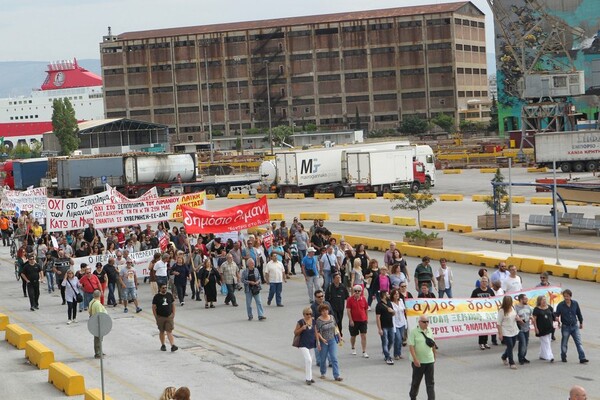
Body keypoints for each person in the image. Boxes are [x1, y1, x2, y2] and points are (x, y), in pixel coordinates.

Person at [555, 289, 588, 363]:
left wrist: (581, 322)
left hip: (574, 326)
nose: (566, 298)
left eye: (567, 296)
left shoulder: (575, 303)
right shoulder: (560, 305)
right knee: (564, 343)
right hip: (566, 327)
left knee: (578, 342)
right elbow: (556, 314)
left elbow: (578, 313)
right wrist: (556, 317)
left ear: (570, 296)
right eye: (565, 296)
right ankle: (563, 356)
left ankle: (582, 358)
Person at [408, 315, 436, 400]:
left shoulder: (430, 330)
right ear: (419, 322)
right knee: (416, 382)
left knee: (430, 383)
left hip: (429, 361)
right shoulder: (414, 332)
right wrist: (415, 359)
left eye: (427, 321)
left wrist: (434, 356)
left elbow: (433, 343)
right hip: (419, 363)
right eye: (424, 322)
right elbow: (411, 346)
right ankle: (413, 397)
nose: (426, 323)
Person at [315, 304, 342, 381]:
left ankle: (336, 375)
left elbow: (335, 327)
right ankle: (323, 372)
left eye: (326, 310)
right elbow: (317, 332)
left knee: (334, 358)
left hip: (332, 339)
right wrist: (321, 340)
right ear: (320, 312)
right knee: (323, 359)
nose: (325, 312)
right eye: (323, 311)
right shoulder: (319, 320)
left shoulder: (332, 317)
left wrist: (339, 336)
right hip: (324, 341)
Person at [152, 283, 178, 352]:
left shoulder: (169, 295)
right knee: (162, 331)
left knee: (169, 331)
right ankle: (163, 345)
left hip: (169, 316)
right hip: (160, 317)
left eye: (165, 287)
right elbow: (154, 307)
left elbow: (173, 305)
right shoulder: (156, 297)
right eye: (163, 288)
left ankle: (172, 345)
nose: (165, 289)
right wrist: (156, 317)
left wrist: (173, 314)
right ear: (160, 288)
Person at [471, 276, 495, 350]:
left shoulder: (490, 291)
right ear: (480, 283)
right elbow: (471, 301)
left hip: (488, 313)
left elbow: (494, 300)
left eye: (486, 281)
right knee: (482, 327)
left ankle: (485, 342)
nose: (484, 283)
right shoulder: (476, 291)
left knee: (487, 327)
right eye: (483, 281)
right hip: (480, 313)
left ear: (488, 283)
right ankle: (481, 343)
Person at [294, 306, 317, 385]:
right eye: (307, 314)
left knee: (310, 361)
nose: (309, 315)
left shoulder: (313, 321)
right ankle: (308, 379)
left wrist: (318, 342)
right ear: (304, 314)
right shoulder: (300, 322)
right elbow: (295, 332)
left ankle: (310, 377)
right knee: (308, 360)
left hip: (312, 343)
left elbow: (316, 332)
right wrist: (302, 328)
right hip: (303, 344)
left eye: (310, 314)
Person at [497, 295, 520, 369]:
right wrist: (500, 334)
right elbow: (499, 323)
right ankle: (511, 362)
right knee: (509, 345)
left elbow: (515, 316)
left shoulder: (512, 308)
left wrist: (517, 318)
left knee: (512, 345)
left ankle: (504, 356)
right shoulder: (502, 311)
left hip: (514, 329)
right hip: (506, 331)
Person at [346, 284, 369, 358]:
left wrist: (366, 318)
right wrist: (351, 320)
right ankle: (353, 347)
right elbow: (348, 311)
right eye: (355, 291)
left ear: (361, 292)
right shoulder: (350, 299)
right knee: (353, 336)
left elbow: (365, 309)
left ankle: (364, 351)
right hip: (354, 321)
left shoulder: (364, 299)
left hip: (363, 320)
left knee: (364, 335)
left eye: (358, 291)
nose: (357, 292)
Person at [532, 295, 555, 363]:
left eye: (545, 299)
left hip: (549, 327)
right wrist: (536, 328)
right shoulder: (536, 309)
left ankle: (542, 355)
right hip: (541, 328)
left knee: (546, 342)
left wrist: (556, 319)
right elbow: (534, 320)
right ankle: (550, 356)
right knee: (546, 342)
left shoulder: (549, 307)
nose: (544, 301)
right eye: (542, 300)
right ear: (539, 301)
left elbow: (552, 315)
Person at [376, 290, 396, 365]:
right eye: (387, 294)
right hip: (383, 326)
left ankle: (386, 351)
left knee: (391, 340)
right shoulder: (379, 305)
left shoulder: (389, 303)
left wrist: (392, 311)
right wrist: (379, 329)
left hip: (390, 325)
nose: (388, 295)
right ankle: (388, 357)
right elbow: (378, 318)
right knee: (385, 341)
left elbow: (393, 314)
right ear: (384, 295)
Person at [514, 293, 533, 365]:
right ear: (521, 299)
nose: (526, 300)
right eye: (525, 299)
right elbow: (514, 316)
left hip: (527, 328)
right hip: (520, 329)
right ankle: (520, 358)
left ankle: (523, 356)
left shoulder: (528, 307)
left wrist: (531, 317)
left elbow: (530, 314)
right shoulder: (516, 307)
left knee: (526, 343)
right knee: (523, 343)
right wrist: (518, 319)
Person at [89, 290, 107, 359]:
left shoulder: (92, 302)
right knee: (98, 338)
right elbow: (100, 315)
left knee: (98, 338)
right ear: (99, 295)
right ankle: (98, 353)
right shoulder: (97, 304)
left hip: (94, 321)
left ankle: (99, 351)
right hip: (98, 323)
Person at [390, 288, 407, 360]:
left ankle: (399, 353)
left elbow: (404, 309)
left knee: (401, 339)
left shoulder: (401, 301)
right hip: (395, 323)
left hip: (402, 322)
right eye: (395, 294)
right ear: (393, 295)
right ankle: (395, 354)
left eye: (398, 294)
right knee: (398, 339)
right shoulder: (391, 303)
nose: (397, 295)